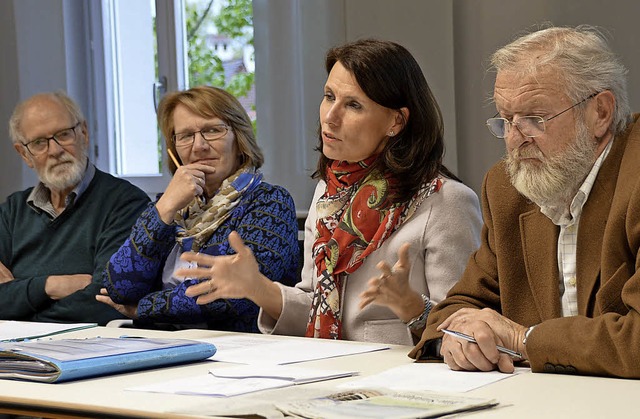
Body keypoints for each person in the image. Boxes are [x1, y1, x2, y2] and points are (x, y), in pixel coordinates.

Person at [177, 39, 482, 345]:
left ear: (396, 121)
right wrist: (258, 288)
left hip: (403, 380)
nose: (329, 116)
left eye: (353, 105)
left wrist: (413, 308)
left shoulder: (448, 202)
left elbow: (467, 333)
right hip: (328, 370)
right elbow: (316, 305)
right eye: (329, 96)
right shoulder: (328, 190)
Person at [410, 25, 640, 378]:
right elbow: (457, 308)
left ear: (601, 113)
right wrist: (460, 339)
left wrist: (523, 338)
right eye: (506, 120)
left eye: (534, 119)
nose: (515, 139)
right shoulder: (507, 187)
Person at [98, 86, 299, 332]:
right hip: (162, 347)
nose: (199, 146)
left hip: (239, 350)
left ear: (239, 137)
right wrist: (165, 208)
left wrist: (143, 309)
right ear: (174, 150)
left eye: (212, 130)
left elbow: (230, 294)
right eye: (185, 136)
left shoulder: (269, 202)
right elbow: (119, 287)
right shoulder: (168, 208)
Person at [0, 91, 150, 325]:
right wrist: (49, 286)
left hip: (90, 349)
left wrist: (19, 305)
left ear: (84, 134)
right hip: (15, 349)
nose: (55, 150)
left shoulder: (125, 203)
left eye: (63, 134)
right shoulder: (11, 212)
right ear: (24, 154)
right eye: (39, 143)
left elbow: (104, 301)